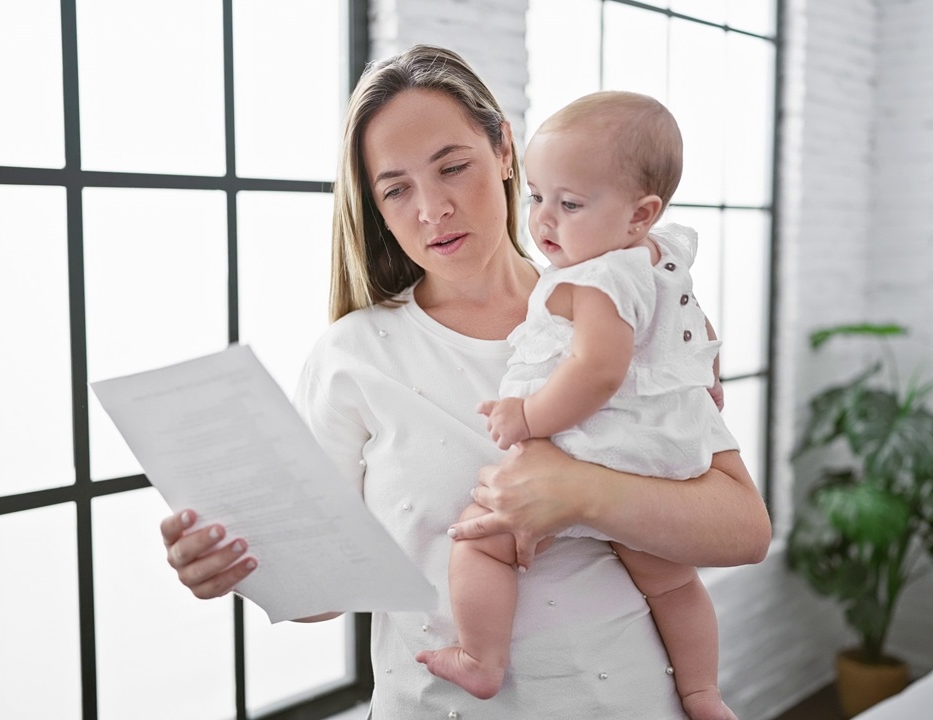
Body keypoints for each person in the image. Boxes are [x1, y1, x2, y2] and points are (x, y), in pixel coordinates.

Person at [159, 45, 770, 718]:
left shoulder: (620, 307)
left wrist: (582, 493)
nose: (433, 208)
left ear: (506, 151)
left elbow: (743, 530)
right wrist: (237, 564)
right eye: (397, 189)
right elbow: (325, 595)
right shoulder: (354, 356)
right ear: (377, 207)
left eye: (453, 167)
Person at [415, 90, 738, 720]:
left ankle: (482, 659)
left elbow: (596, 370)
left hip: (594, 446)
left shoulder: (593, 279)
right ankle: (702, 692)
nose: (544, 222)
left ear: (640, 213)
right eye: (538, 198)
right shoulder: (662, 256)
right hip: (661, 454)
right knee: (673, 583)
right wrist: (707, 381)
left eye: (570, 204)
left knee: (481, 541)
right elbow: (693, 327)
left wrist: (529, 417)